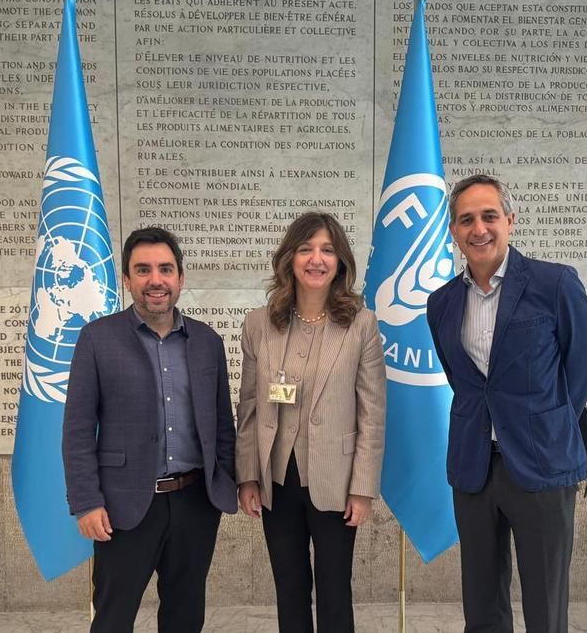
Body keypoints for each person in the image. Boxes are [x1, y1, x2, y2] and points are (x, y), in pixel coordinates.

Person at [426, 174, 587, 633]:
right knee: (481, 605)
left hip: (542, 463)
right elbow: (464, 380)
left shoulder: (555, 284)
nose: (478, 228)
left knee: (545, 603)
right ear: (454, 232)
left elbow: (578, 373)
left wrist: (546, 425)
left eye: (488, 216)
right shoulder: (440, 303)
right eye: (466, 220)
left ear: (510, 221)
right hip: (474, 467)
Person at [62, 226, 237, 633]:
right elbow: (77, 430)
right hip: (124, 507)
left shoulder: (207, 341)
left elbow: (221, 426)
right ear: (127, 279)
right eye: (143, 270)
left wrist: (224, 484)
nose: (155, 280)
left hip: (196, 504)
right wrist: (87, 502)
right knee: (113, 615)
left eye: (165, 269)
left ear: (180, 278)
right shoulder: (96, 339)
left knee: (185, 614)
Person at [235, 212, 386, 633]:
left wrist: (363, 489)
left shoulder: (361, 325)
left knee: (335, 590)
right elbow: (248, 405)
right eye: (305, 249)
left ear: (340, 261)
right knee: (289, 588)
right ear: (289, 258)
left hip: (337, 482)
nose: (316, 259)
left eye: (327, 249)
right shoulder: (258, 324)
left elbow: (372, 414)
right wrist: (247, 477)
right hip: (276, 482)